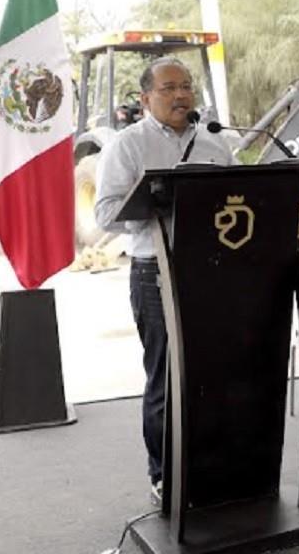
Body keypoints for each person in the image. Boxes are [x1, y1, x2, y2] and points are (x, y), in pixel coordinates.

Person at [93, 57, 234, 502]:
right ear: (146, 97)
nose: (180, 95)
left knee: (213, 374)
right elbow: (105, 213)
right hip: (156, 272)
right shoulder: (127, 145)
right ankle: (165, 474)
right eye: (169, 88)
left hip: (212, 270)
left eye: (186, 86)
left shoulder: (215, 143)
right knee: (166, 378)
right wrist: (156, 205)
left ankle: (214, 466)